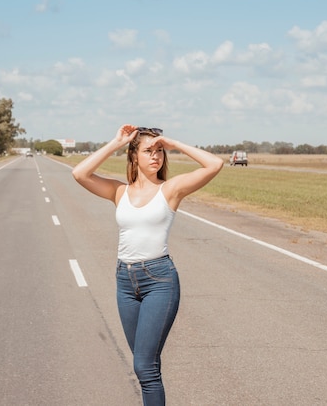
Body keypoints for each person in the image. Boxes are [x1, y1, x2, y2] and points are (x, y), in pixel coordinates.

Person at [72, 124, 223, 405]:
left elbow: (215, 164)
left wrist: (175, 143)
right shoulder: (119, 192)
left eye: (160, 151)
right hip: (125, 283)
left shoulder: (171, 190)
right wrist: (116, 142)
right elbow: (79, 173)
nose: (156, 156)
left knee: (144, 367)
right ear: (134, 156)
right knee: (146, 368)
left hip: (159, 281)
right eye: (148, 151)